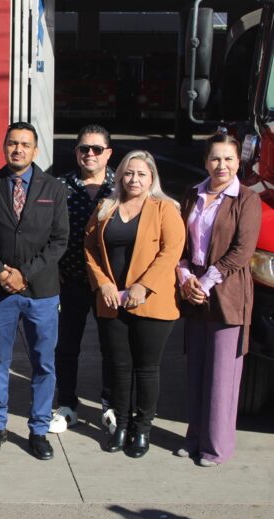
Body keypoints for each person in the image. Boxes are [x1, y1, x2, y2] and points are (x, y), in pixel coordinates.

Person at [0, 121, 68, 461]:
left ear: (35, 150)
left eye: (25, 144)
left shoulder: (53, 188)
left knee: (43, 363)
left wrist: (24, 274)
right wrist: (0, 272)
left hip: (41, 291)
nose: (18, 149)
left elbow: (59, 240)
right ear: (4, 146)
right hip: (0, 290)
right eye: (13, 143)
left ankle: (39, 429)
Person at [84, 150, 184, 458]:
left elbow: (171, 252)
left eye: (141, 173)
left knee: (146, 369)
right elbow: (90, 249)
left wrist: (143, 285)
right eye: (128, 173)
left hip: (151, 302)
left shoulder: (165, 209)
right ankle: (122, 425)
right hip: (112, 301)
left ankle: (142, 429)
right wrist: (103, 283)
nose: (134, 179)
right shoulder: (105, 207)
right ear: (120, 177)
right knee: (119, 367)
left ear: (152, 177)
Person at [176, 133, 262, 467]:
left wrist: (205, 281)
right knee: (197, 368)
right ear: (205, 161)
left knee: (222, 375)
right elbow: (182, 245)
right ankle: (194, 438)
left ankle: (215, 447)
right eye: (215, 158)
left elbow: (242, 251)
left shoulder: (246, 199)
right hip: (194, 289)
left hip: (226, 291)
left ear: (239, 162)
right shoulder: (192, 194)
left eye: (228, 159)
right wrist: (186, 277)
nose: (221, 165)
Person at [51, 124, 116, 434]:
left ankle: (110, 404)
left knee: (112, 346)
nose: (90, 154)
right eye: (84, 149)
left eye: (97, 149)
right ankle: (66, 404)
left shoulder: (123, 186)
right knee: (66, 346)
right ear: (76, 153)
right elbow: (46, 229)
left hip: (109, 285)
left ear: (108, 153)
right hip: (71, 280)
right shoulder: (58, 186)